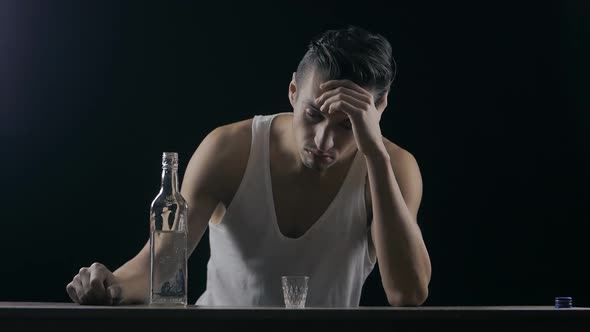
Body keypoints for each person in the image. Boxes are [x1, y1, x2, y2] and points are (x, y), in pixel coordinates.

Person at [66, 25, 431, 307]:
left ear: (378, 110)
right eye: (313, 114)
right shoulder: (231, 150)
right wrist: (107, 283)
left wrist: (375, 156)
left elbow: (408, 293)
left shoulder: (394, 168)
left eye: (346, 125)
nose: (323, 141)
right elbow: (158, 268)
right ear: (292, 91)